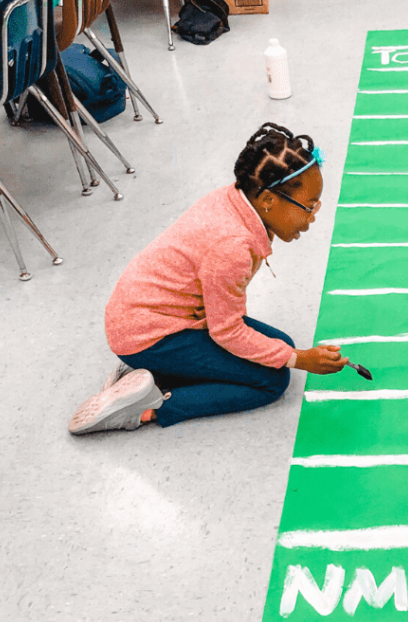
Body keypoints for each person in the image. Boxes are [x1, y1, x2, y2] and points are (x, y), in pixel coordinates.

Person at [67, 123, 349, 434]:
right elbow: (227, 330)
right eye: (308, 207)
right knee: (273, 379)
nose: (312, 218)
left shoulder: (234, 200)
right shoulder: (232, 248)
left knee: (282, 348)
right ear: (267, 199)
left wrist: (293, 355)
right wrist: (301, 360)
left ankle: (151, 373)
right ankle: (149, 407)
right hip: (147, 334)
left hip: (146, 317)